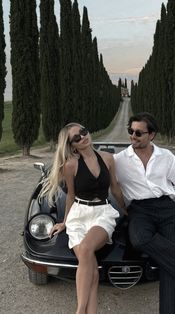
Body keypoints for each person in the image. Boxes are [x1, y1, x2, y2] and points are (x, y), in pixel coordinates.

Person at [114, 112, 175, 314]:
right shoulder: (119, 160)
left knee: (167, 266)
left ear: (152, 135)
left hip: (167, 208)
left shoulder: (166, 156)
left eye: (139, 133)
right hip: (140, 209)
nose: (133, 136)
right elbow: (95, 168)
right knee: (139, 239)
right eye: (130, 131)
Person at [40, 122, 126, 314]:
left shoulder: (108, 158)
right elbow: (70, 195)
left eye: (83, 132)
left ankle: (79, 310)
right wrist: (64, 221)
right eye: (76, 138)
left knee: (86, 249)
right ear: (72, 145)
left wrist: (126, 210)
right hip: (78, 216)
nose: (82, 137)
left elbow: (115, 188)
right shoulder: (70, 166)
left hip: (102, 213)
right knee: (91, 268)